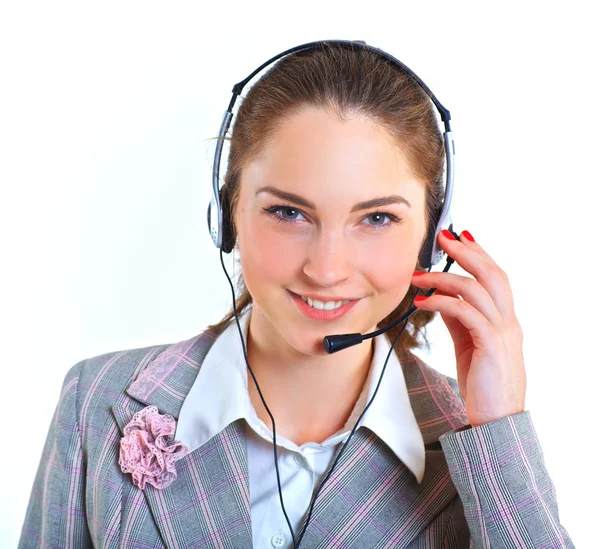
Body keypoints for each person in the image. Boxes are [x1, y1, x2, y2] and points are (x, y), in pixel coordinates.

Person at [18, 41, 574, 549]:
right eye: (288, 212)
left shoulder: (475, 449)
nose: (326, 269)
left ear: (432, 238)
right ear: (227, 213)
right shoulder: (95, 404)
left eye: (377, 218)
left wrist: (500, 434)